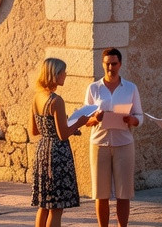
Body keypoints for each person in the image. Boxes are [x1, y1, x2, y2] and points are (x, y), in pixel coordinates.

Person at [83, 48, 143, 227]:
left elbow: (140, 116)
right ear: (103, 64)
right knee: (101, 193)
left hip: (124, 143)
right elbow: (84, 119)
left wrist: (132, 119)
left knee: (124, 192)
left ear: (120, 64)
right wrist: (95, 118)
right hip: (99, 144)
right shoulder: (93, 88)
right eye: (107, 64)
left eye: (114, 64)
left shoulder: (131, 88)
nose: (111, 68)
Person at [32, 57, 82, 227]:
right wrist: (81, 121)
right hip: (57, 156)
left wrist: (63, 126)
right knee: (56, 207)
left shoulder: (37, 97)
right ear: (55, 74)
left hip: (42, 152)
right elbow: (62, 135)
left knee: (44, 205)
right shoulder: (56, 100)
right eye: (63, 72)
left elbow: (34, 130)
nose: (65, 75)